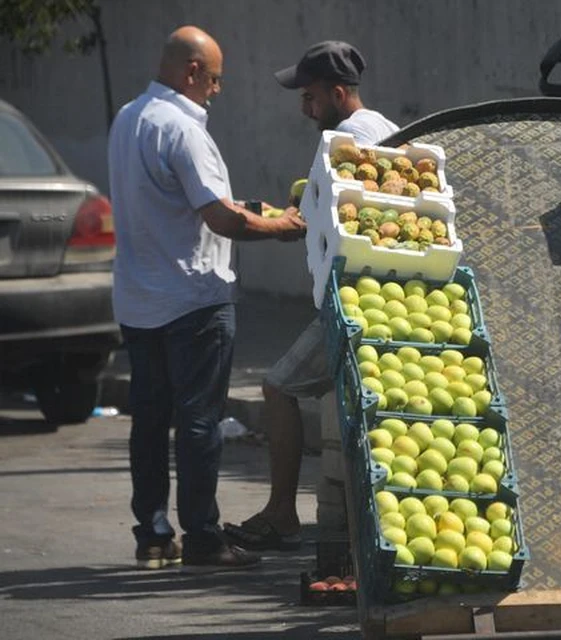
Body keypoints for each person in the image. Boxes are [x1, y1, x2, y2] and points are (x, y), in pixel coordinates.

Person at [108, 25, 307, 572]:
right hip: (193, 300)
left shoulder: (129, 118)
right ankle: (201, 537)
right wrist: (280, 229)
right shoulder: (183, 128)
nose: (218, 90)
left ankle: (152, 533)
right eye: (215, 79)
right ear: (193, 71)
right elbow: (220, 218)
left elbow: (184, 202)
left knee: (149, 422)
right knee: (198, 421)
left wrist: (258, 209)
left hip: (139, 300)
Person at [223, 41, 398, 550]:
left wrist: (285, 223)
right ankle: (344, 528)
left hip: (355, 300)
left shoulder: (344, 141)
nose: (304, 108)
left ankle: (281, 513)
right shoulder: (383, 128)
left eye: (311, 97)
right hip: (384, 294)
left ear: (338, 93)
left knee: (279, 386)